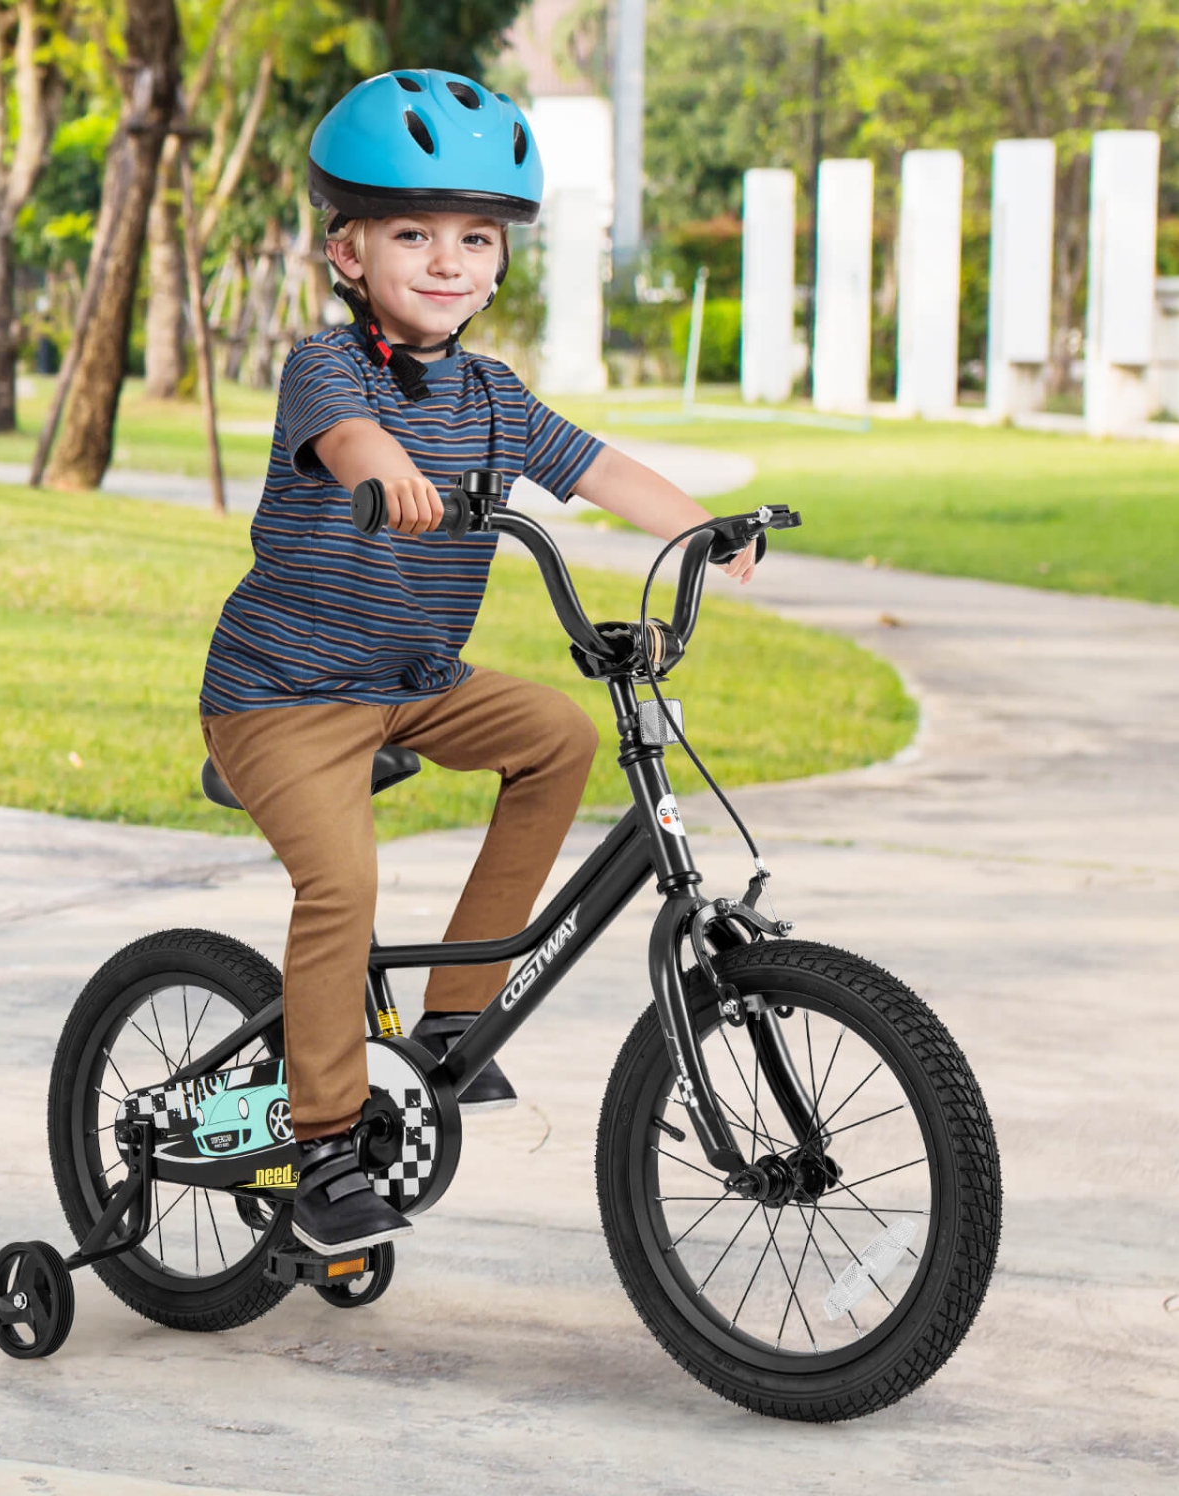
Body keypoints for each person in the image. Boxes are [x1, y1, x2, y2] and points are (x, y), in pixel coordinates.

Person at [199, 69, 759, 1256]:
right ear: (349, 252)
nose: (447, 259)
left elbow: (598, 466)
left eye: (475, 237)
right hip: (283, 700)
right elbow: (346, 437)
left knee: (557, 735)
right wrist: (382, 471)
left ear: (502, 259)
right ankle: (321, 1144)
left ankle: (456, 1022)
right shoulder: (330, 370)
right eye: (413, 233)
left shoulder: (497, 395)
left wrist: (702, 524)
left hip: (414, 686)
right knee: (343, 886)